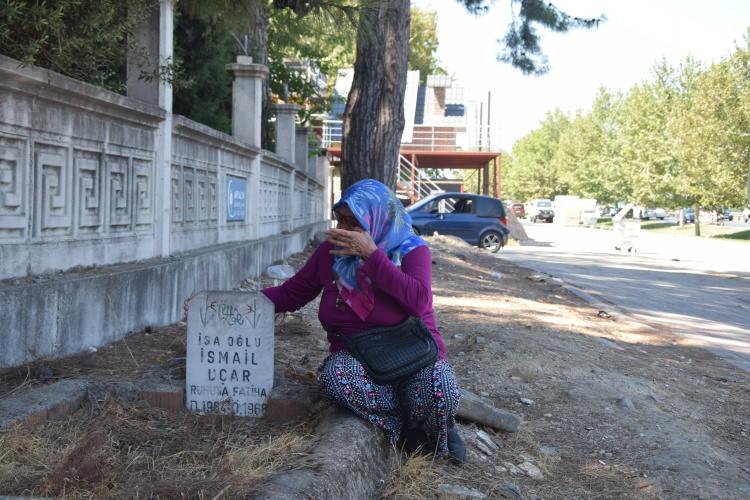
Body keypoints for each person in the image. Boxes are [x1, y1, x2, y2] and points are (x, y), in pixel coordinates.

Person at [261, 179, 464, 461]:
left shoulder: (410, 249)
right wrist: (222, 306)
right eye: (340, 219)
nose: (344, 230)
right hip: (359, 361)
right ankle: (401, 426)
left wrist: (372, 255)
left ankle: (434, 430)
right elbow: (290, 294)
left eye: (353, 222)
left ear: (376, 219)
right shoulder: (329, 252)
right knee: (335, 377)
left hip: (412, 358)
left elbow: (419, 302)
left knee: (440, 383)